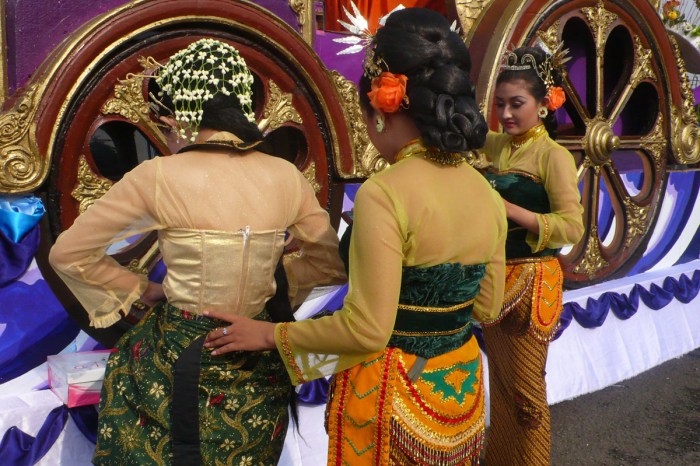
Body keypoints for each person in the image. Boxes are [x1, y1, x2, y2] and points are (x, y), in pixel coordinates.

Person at [204, 8, 507, 465]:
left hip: (392, 399)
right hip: (460, 388)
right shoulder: (486, 192)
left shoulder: (385, 193)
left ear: (379, 111)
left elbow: (366, 330)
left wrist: (268, 334)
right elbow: (487, 307)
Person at [48, 38, 346, 465]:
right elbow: (328, 264)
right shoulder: (285, 176)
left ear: (178, 117)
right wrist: (269, 285)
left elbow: (67, 254)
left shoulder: (157, 175)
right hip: (255, 356)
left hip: (176, 355)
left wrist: (142, 289)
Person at [480, 45, 585, 465]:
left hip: (532, 281)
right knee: (501, 386)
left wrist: (508, 209)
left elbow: (572, 228)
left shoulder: (553, 157)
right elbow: (466, 135)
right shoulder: (499, 146)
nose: (506, 114)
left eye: (516, 104)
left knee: (526, 396)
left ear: (544, 105)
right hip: (496, 279)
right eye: (500, 104)